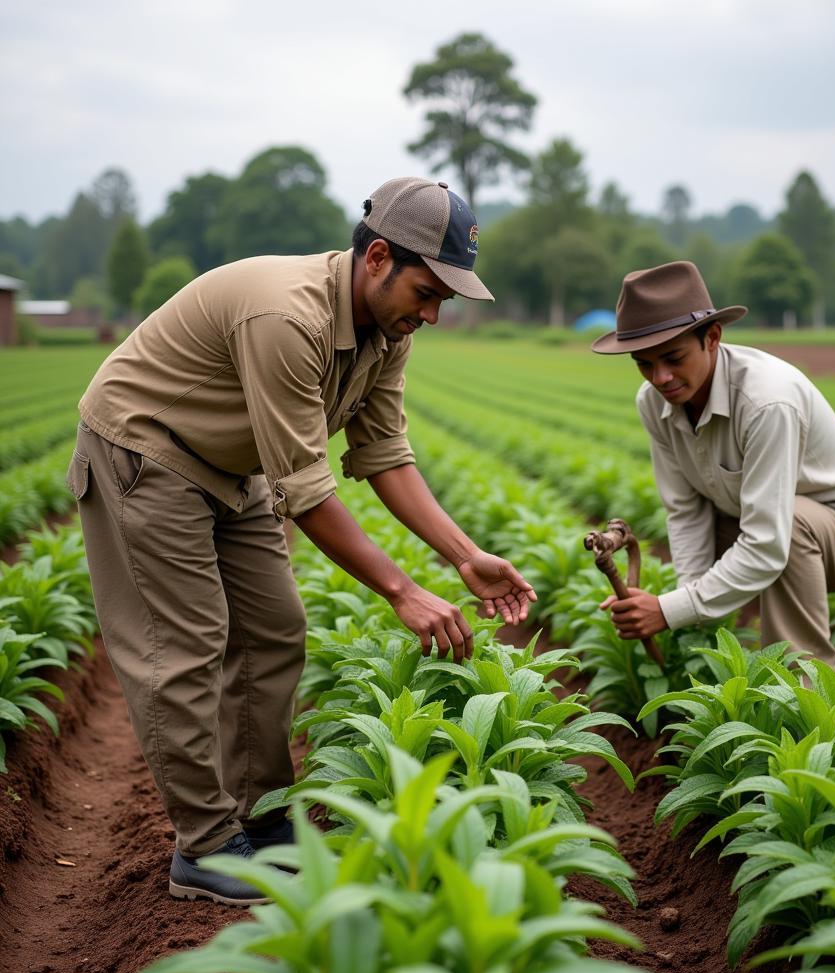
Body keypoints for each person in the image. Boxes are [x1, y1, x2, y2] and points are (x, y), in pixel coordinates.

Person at [67, 177, 536, 906]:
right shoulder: (288, 316)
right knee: (185, 646)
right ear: (377, 256)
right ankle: (207, 844)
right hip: (145, 451)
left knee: (276, 628)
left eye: (446, 298)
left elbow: (383, 452)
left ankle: (264, 819)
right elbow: (308, 491)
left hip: (232, 464)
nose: (435, 314)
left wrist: (462, 554)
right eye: (428, 291)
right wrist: (403, 593)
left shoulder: (388, 331)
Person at [592, 261, 835, 671]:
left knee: (790, 524)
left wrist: (669, 609)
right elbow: (686, 508)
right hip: (747, 516)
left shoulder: (768, 402)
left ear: (712, 338)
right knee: (706, 579)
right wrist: (688, 608)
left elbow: (767, 542)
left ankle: (806, 689)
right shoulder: (653, 401)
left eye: (673, 358)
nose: (660, 377)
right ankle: (708, 669)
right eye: (644, 363)